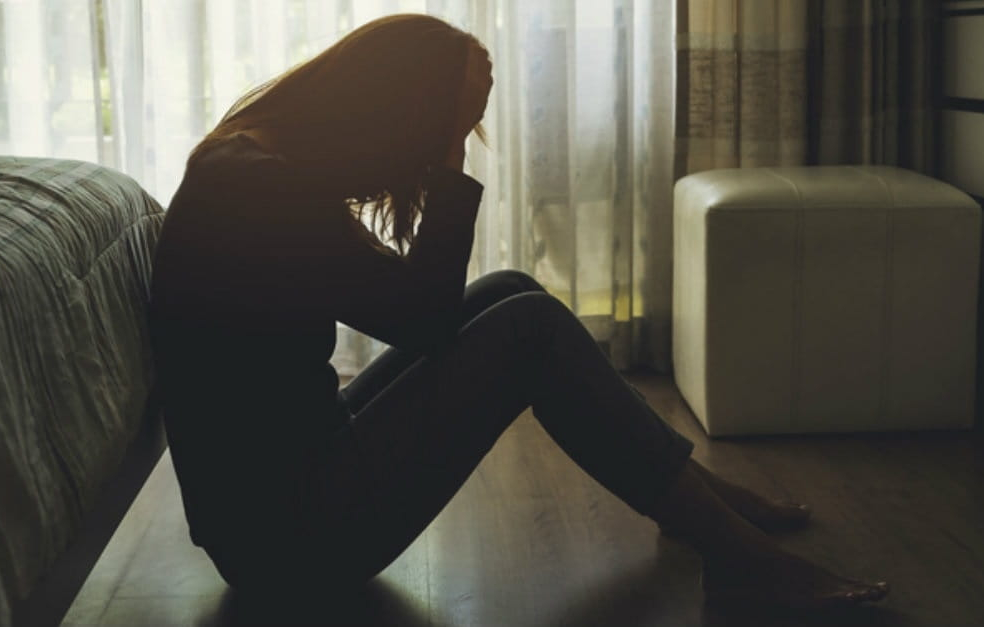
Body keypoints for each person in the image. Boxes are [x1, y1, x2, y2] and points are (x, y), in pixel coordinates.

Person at [147, 13, 889, 611]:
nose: (445, 148)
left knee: (508, 290)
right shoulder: (262, 189)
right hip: (294, 541)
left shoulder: (250, 163)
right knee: (526, 330)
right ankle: (735, 554)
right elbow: (426, 318)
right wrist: (447, 162)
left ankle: (686, 495)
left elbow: (410, 309)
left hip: (274, 511)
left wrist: (445, 128)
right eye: (442, 128)